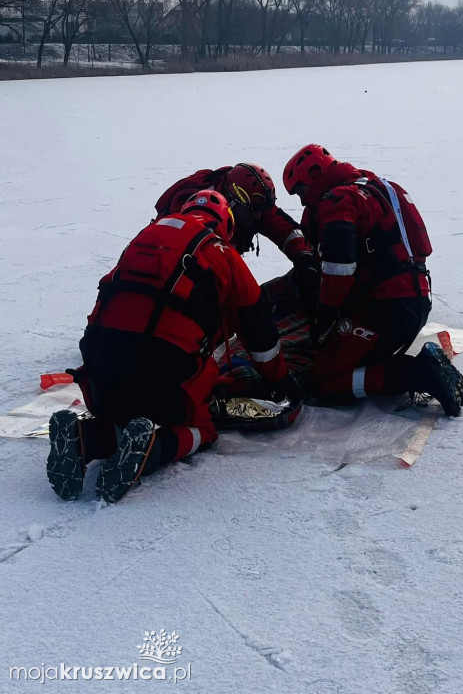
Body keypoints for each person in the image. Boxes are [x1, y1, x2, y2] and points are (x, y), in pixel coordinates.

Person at [47, 191, 301, 504]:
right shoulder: (222, 252)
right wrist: (280, 382)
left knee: (124, 416)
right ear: (226, 224)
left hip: (99, 369)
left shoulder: (142, 239)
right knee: (202, 429)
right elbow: (258, 331)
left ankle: (81, 439)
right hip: (164, 371)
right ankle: (152, 447)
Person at [282, 144, 463, 416]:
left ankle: (416, 374)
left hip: (384, 310)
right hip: (415, 302)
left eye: (300, 191)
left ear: (314, 176)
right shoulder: (380, 186)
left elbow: (338, 270)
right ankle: (402, 367)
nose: (302, 202)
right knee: (353, 356)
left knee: (323, 380)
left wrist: (326, 317)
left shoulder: (340, 201)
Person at [155, 163, 320, 312]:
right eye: (253, 211)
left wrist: (303, 257)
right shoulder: (195, 217)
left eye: (260, 210)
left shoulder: (252, 201)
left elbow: (281, 227)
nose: (257, 217)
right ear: (232, 204)